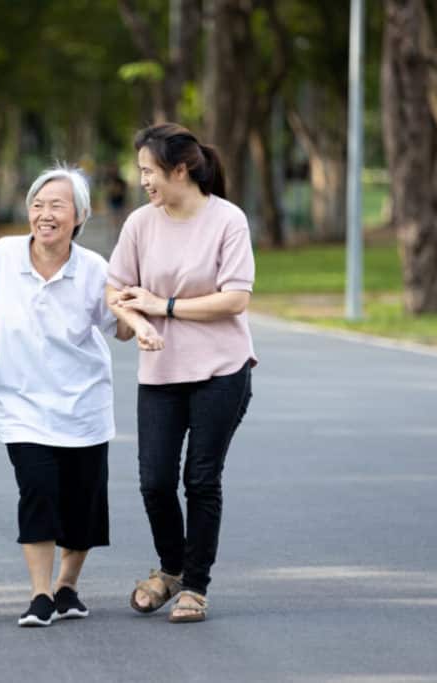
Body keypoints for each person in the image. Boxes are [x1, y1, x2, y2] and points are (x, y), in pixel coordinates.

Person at [0, 165, 133, 627]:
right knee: (36, 490)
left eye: (57, 206)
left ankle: (67, 587)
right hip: (21, 403)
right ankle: (39, 595)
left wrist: (138, 306)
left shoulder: (95, 270)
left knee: (82, 502)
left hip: (83, 404)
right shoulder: (1, 256)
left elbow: (122, 330)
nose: (44, 214)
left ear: (79, 216)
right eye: (37, 205)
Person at [106, 123, 255, 624]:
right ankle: (170, 569)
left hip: (222, 369)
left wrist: (162, 306)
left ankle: (194, 585)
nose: (143, 180)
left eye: (149, 171)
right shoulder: (139, 224)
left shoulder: (227, 220)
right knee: (154, 481)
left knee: (201, 479)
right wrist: (135, 323)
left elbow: (235, 298)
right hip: (161, 372)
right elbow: (116, 292)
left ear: (180, 169)